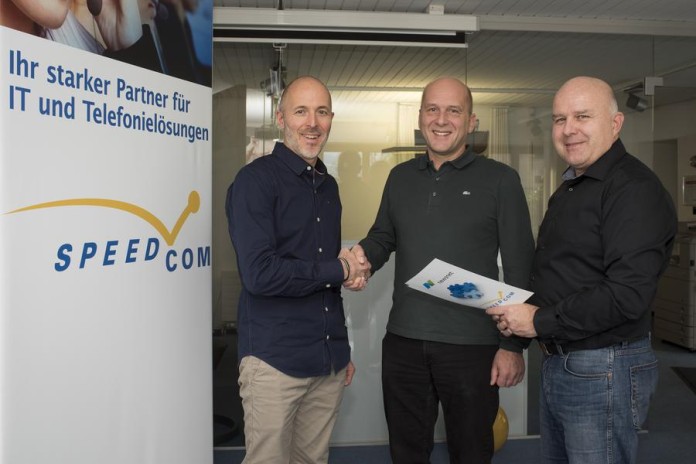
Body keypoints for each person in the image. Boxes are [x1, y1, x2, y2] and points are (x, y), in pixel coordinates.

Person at [486, 76, 678, 464]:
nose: (568, 129)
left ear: (616, 123)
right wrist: (519, 319)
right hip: (565, 362)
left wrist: (538, 320)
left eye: (582, 116)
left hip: (604, 367)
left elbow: (627, 294)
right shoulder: (574, 186)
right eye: (560, 119)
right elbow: (567, 273)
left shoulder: (633, 189)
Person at [351, 76, 535, 464]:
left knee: (471, 453)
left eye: (454, 110)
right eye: (432, 109)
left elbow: (521, 266)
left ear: (471, 121)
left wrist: (512, 346)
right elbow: (383, 237)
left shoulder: (501, 180)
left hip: (473, 347)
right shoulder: (400, 177)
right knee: (406, 454)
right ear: (420, 117)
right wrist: (361, 259)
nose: (441, 119)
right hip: (403, 341)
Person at [226, 75, 369, 464]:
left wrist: (338, 347)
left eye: (322, 112)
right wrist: (338, 269)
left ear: (331, 119)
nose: (312, 123)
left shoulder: (329, 187)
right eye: (301, 111)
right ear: (281, 118)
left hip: (326, 363)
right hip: (274, 362)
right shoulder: (254, 181)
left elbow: (325, 278)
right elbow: (259, 273)